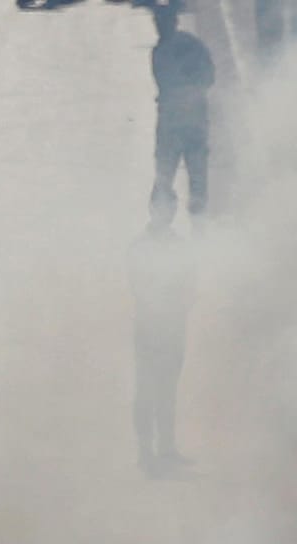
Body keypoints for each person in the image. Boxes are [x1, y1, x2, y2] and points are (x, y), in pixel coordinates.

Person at [129, 199, 196, 476]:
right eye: (162, 206)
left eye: (172, 207)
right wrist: (158, 309)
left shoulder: (179, 245)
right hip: (149, 326)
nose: (167, 212)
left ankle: (166, 450)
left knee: (168, 389)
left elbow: (190, 280)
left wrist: (181, 307)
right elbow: (138, 286)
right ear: (151, 208)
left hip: (174, 326)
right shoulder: (140, 246)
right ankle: (146, 454)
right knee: (146, 388)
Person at [150, 4, 214, 220]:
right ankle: (199, 222)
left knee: (164, 175)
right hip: (194, 120)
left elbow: (165, 87)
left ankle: (161, 222)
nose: (159, 27)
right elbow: (209, 77)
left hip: (172, 123)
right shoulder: (192, 45)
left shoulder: (160, 52)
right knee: (196, 176)